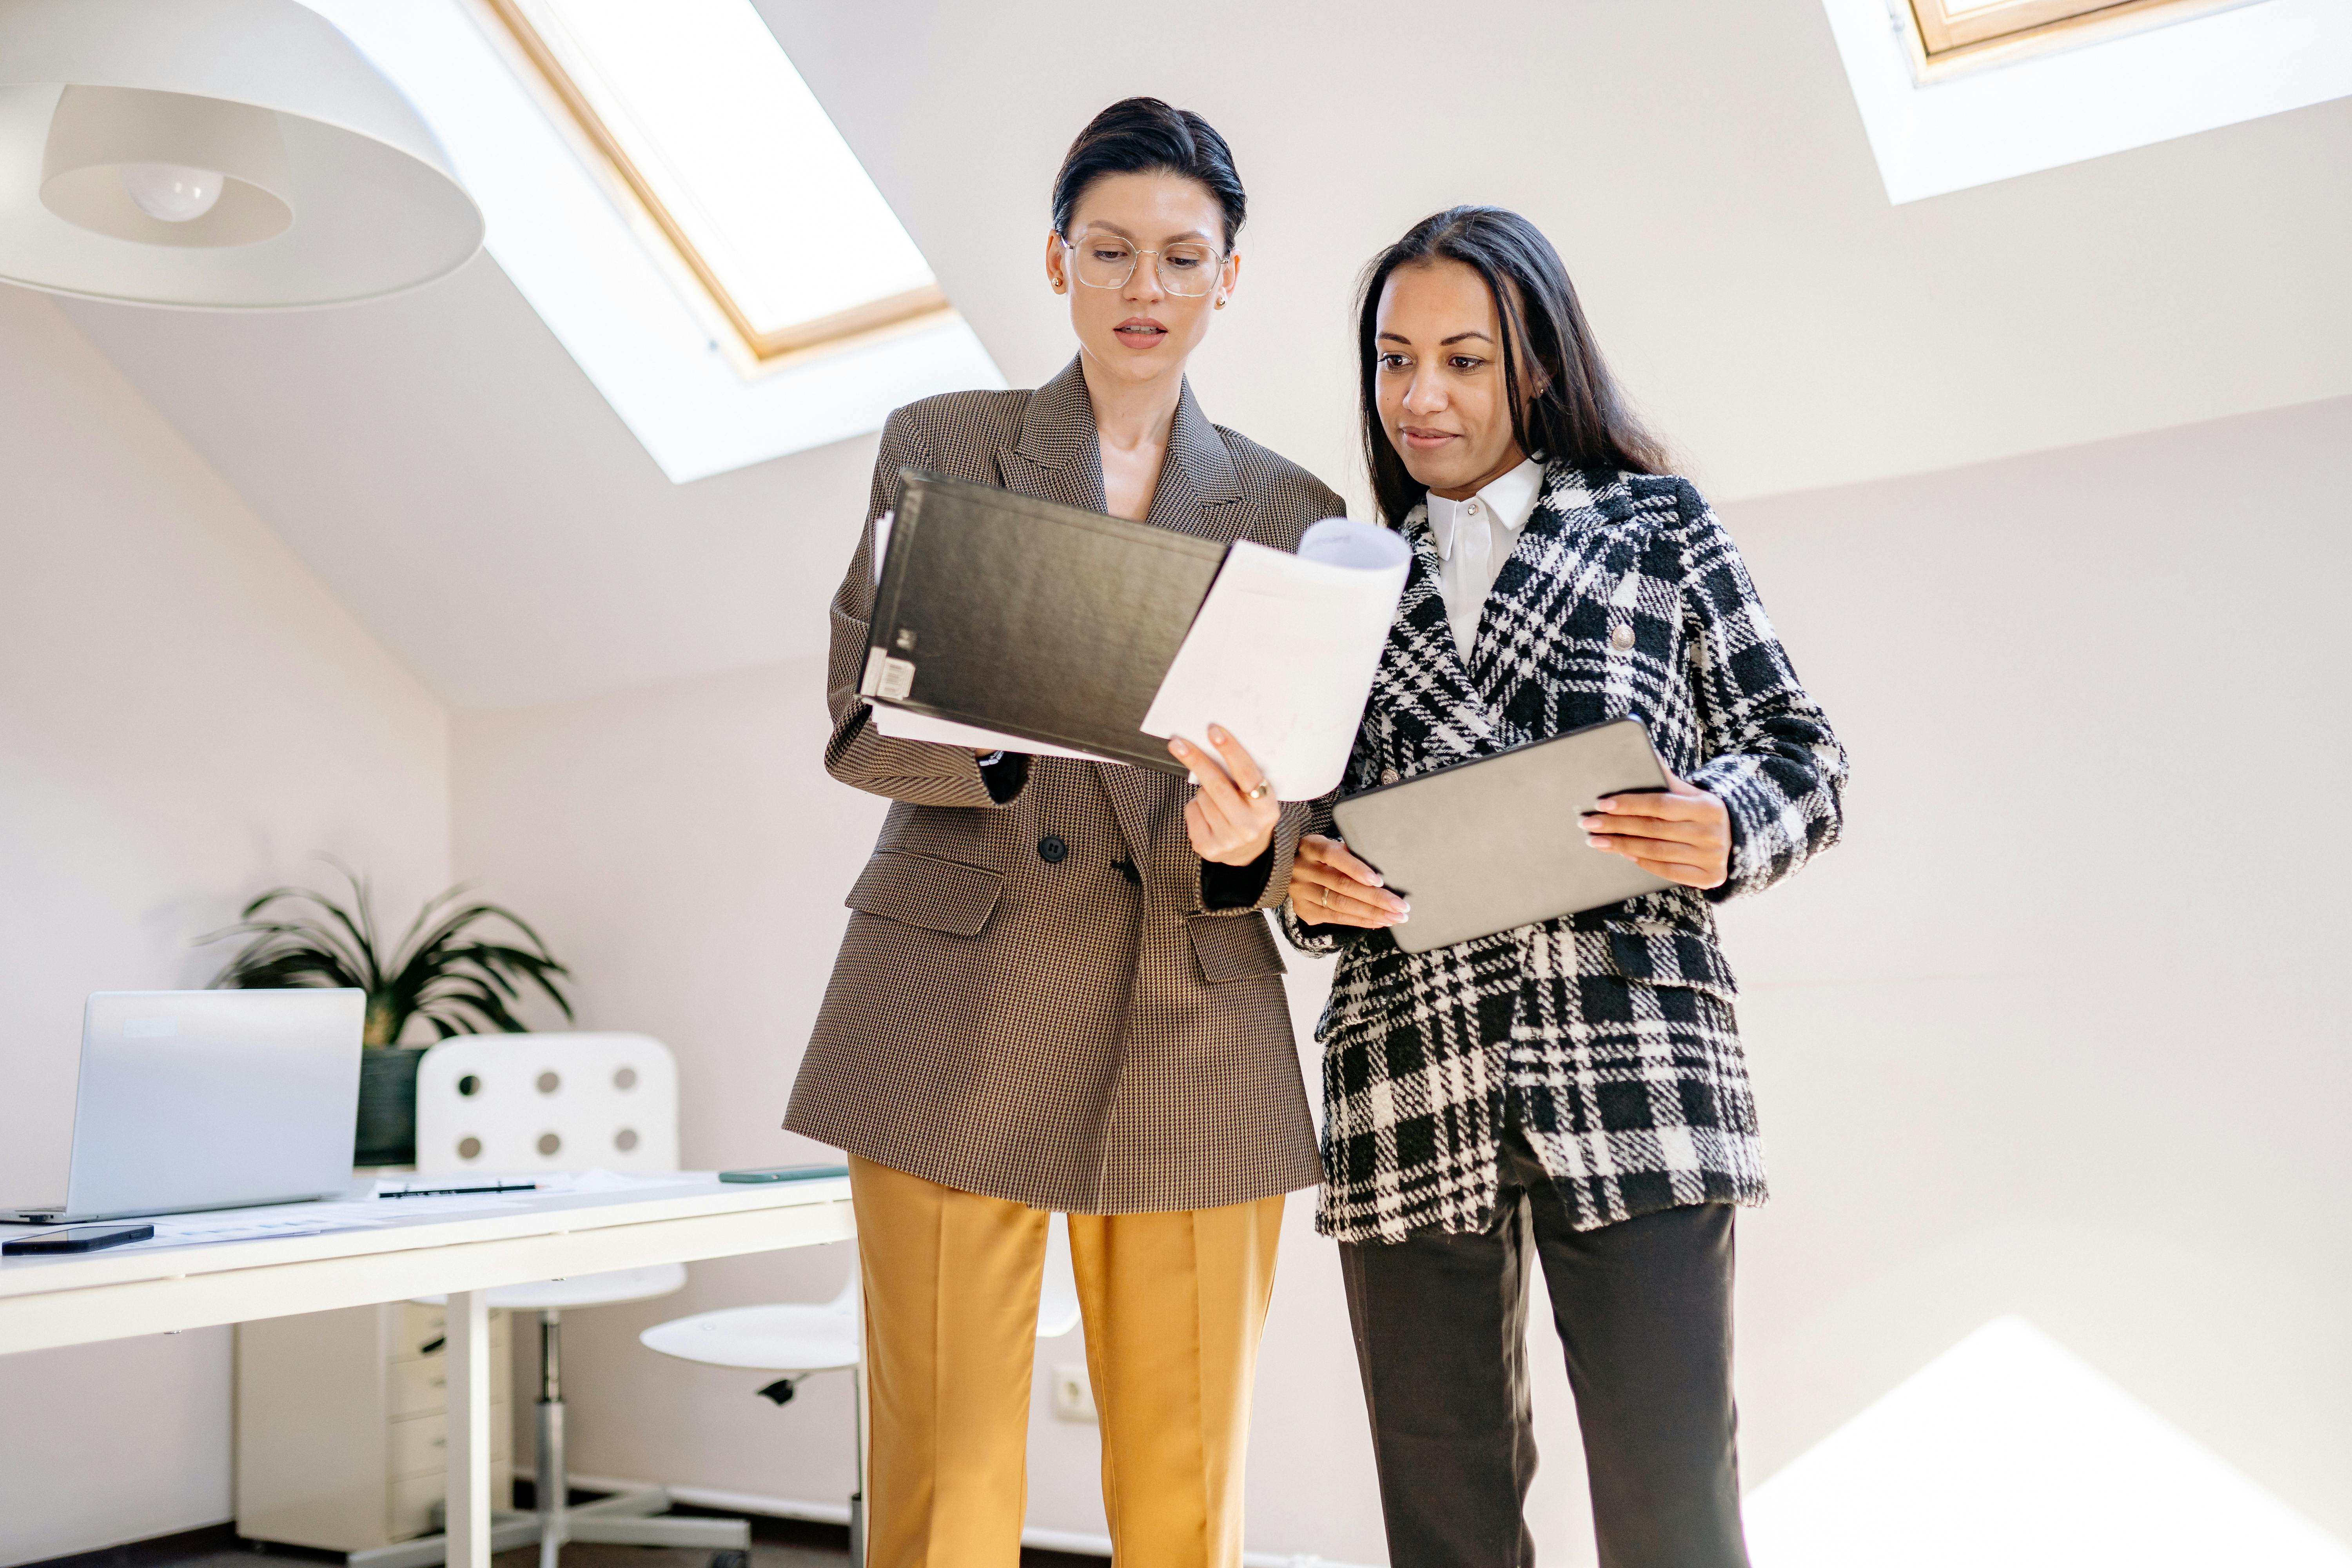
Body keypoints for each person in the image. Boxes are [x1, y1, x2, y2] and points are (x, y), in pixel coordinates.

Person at [784, 98, 1343, 1568]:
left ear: (1231, 276)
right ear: (1057, 265)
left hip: (1189, 1010)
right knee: (944, 1485)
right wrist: (1005, 733)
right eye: (1110, 252)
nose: (1142, 289)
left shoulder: (1297, 507)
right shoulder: (946, 445)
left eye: (1178, 256)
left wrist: (1248, 841)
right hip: (957, 989)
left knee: (1184, 1499)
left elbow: (1308, 815)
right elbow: (861, 721)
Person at [1282, 207, 1849, 1568]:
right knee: (1444, 1522)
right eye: (1394, 358)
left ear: (1536, 363)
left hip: (1636, 1055)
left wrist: (1726, 824)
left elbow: (1804, 757)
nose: (1421, 396)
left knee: (1674, 1508)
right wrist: (1312, 883)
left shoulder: (1655, 527)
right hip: (1410, 1073)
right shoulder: (1347, 577)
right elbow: (1300, 833)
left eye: (1465, 360)